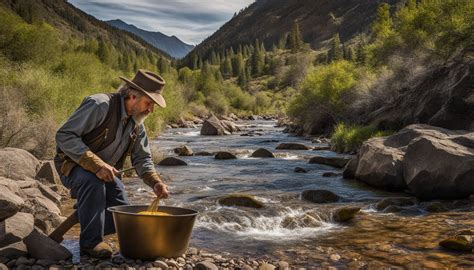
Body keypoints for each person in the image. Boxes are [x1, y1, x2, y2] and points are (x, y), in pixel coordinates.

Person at [54, 69, 170, 258]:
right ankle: (90, 244)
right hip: (71, 165)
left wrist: (155, 182)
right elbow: (64, 135)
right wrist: (97, 165)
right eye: (149, 103)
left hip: (103, 171)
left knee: (121, 208)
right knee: (93, 183)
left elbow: (142, 159)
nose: (151, 110)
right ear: (133, 96)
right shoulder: (99, 105)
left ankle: (89, 216)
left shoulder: (137, 124)